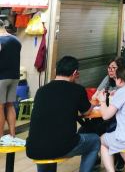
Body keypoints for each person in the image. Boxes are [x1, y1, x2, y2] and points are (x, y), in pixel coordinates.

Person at [26, 56, 101, 172]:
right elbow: (86, 111)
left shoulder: (41, 90)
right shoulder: (77, 89)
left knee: (48, 142)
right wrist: (94, 104)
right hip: (61, 147)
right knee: (95, 140)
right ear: (75, 73)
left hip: (33, 148)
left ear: (56, 70)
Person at [0, 16, 22, 145]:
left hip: (1, 77)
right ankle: (12, 135)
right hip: (14, 77)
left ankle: (0, 137)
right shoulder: (16, 40)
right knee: (10, 105)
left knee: (0, 106)